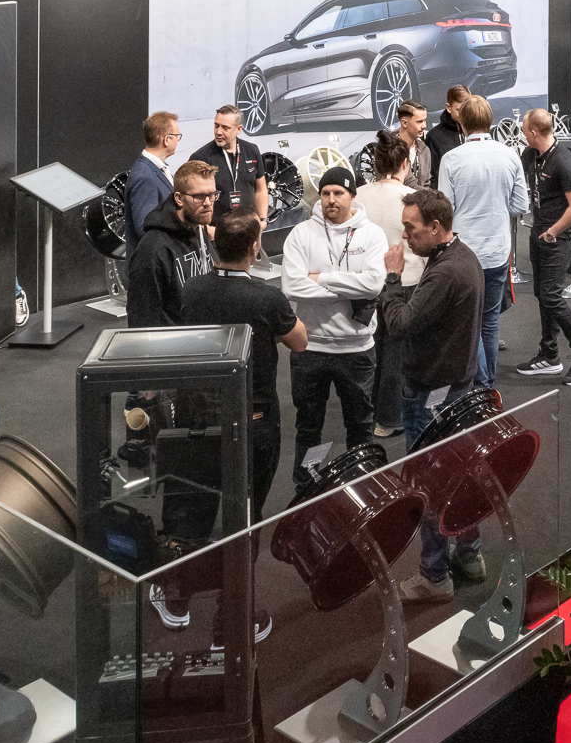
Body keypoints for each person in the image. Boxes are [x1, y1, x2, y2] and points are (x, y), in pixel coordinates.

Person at [377, 187, 484, 601]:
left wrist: (391, 279)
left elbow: (401, 324)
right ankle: (469, 554)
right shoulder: (463, 258)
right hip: (457, 386)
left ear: (435, 227)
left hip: (430, 393)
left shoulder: (442, 272)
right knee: (462, 474)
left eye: (411, 227)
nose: (405, 236)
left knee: (430, 483)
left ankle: (434, 575)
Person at [180, 211, 307, 519]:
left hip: (201, 416)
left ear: (215, 244)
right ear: (253, 248)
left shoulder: (190, 291)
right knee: (249, 511)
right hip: (255, 419)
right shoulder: (268, 298)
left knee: (200, 508)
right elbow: (300, 341)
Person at [281, 165, 388, 470]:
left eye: (338, 193)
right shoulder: (302, 233)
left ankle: (362, 479)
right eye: (326, 193)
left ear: (352, 196)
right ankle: (307, 487)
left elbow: (373, 284)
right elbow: (292, 286)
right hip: (309, 346)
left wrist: (321, 279)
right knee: (308, 427)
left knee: (360, 425)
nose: (331, 199)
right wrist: (347, 286)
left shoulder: (372, 234)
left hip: (356, 347)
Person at [437, 93, 528, 389]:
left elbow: (444, 210)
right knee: (489, 321)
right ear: (489, 121)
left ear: (461, 122)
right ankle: (486, 386)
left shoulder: (451, 159)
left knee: (467, 323)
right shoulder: (510, 155)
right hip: (498, 250)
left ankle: (481, 382)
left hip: (465, 254)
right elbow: (520, 205)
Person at [515, 109, 571, 385]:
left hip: (559, 237)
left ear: (534, 132)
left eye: (524, 129)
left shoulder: (564, 162)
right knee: (542, 293)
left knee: (551, 295)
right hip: (539, 233)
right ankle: (550, 354)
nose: (522, 133)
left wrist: (552, 231)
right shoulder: (531, 155)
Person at [358, 131, 425, 437]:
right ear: (405, 164)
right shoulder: (411, 201)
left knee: (370, 349)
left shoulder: (357, 197)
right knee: (396, 354)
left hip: (366, 284)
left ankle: (367, 412)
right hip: (405, 282)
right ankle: (389, 418)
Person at [125, 158, 215, 327]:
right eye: (199, 196)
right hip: (175, 347)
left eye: (212, 195)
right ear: (179, 199)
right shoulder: (152, 250)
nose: (208, 203)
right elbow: (142, 319)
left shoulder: (199, 228)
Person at [188, 104, 268, 221]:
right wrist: (206, 229)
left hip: (249, 228)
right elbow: (190, 199)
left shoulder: (252, 150)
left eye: (225, 128)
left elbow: (261, 190)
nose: (218, 132)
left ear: (238, 129)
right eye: (216, 126)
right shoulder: (201, 158)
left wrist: (262, 220)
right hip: (217, 231)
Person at [124, 110, 181, 264]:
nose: (178, 140)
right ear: (167, 140)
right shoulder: (144, 177)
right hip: (152, 268)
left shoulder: (156, 169)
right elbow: (145, 229)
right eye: (177, 136)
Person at [425, 85, 469, 186]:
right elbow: (432, 177)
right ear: (449, 108)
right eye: (459, 110)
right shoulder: (434, 136)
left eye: (467, 109)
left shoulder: (478, 132)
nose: (464, 114)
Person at [396, 100, 433, 187]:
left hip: (421, 199)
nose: (424, 126)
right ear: (404, 123)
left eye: (425, 121)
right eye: (419, 122)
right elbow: (408, 183)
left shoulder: (424, 150)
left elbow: (427, 183)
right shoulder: (390, 148)